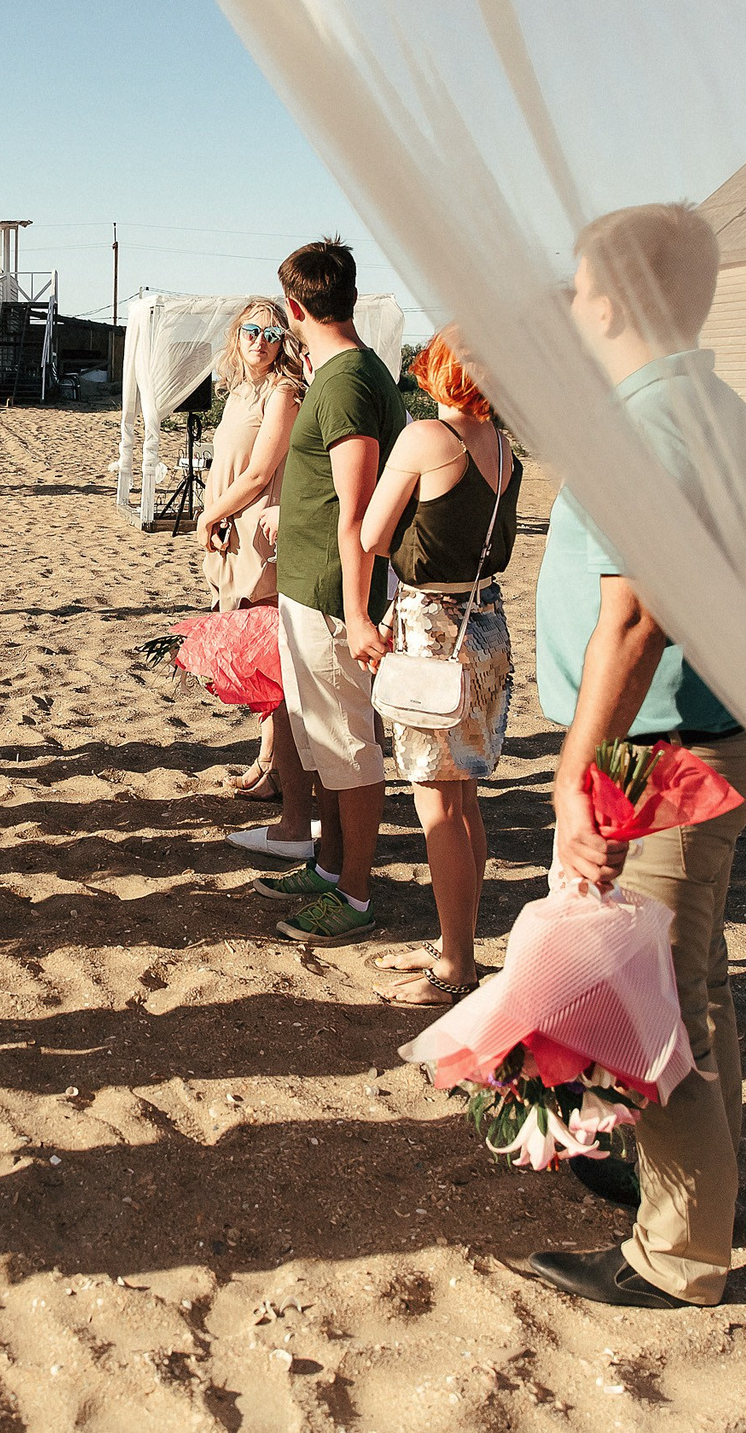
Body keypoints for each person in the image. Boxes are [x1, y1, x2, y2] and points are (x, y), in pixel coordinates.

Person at [514, 202, 746, 1312]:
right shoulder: (709, 405)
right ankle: (699, 1193)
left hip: (663, 751)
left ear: (613, 299)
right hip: (710, 733)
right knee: (691, 987)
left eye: (578, 287)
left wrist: (582, 779)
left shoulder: (649, 422)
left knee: (651, 1003)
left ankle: (678, 1258)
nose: (570, 306)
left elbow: (633, 621)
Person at [358, 327, 520, 1008]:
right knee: (465, 799)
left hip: (434, 629)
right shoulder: (502, 446)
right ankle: (460, 941)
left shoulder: (428, 438)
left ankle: (455, 965)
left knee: (438, 803)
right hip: (487, 624)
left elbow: (370, 533)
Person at [250, 239, 404, 945]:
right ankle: (333, 866)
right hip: (316, 586)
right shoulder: (352, 370)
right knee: (327, 743)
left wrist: (352, 607)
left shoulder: (344, 381)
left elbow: (357, 508)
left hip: (332, 595)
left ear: (295, 307)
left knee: (348, 746)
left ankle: (356, 894)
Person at [193, 302, 317, 850]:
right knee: (251, 654)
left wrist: (211, 513)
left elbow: (263, 470)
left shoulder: (283, 392)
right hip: (232, 529)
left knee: (268, 658)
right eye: (252, 331)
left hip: (260, 536)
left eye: (272, 332)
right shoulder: (241, 390)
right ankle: (266, 761)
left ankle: (276, 770)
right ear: (236, 336)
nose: (261, 341)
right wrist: (217, 515)